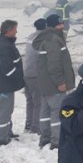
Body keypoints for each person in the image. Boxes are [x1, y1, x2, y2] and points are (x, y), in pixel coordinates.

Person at [34, 13, 75, 149]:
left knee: (45, 111)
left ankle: (45, 138)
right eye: (59, 24)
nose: (62, 26)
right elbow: (54, 64)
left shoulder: (47, 37)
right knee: (57, 112)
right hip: (54, 84)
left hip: (45, 82)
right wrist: (60, 82)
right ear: (53, 25)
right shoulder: (52, 39)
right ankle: (57, 141)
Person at [0, 19, 25, 147]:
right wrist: (20, 79)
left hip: (3, 84)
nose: (17, 31)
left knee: (7, 110)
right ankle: (1, 139)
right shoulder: (4, 46)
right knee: (4, 111)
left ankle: (7, 132)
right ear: (9, 31)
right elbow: (8, 69)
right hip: (4, 85)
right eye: (15, 29)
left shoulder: (1, 42)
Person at [23, 17, 47, 134]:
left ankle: (28, 124)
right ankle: (35, 127)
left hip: (26, 73)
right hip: (35, 74)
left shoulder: (30, 37)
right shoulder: (43, 39)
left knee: (30, 101)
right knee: (39, 102)